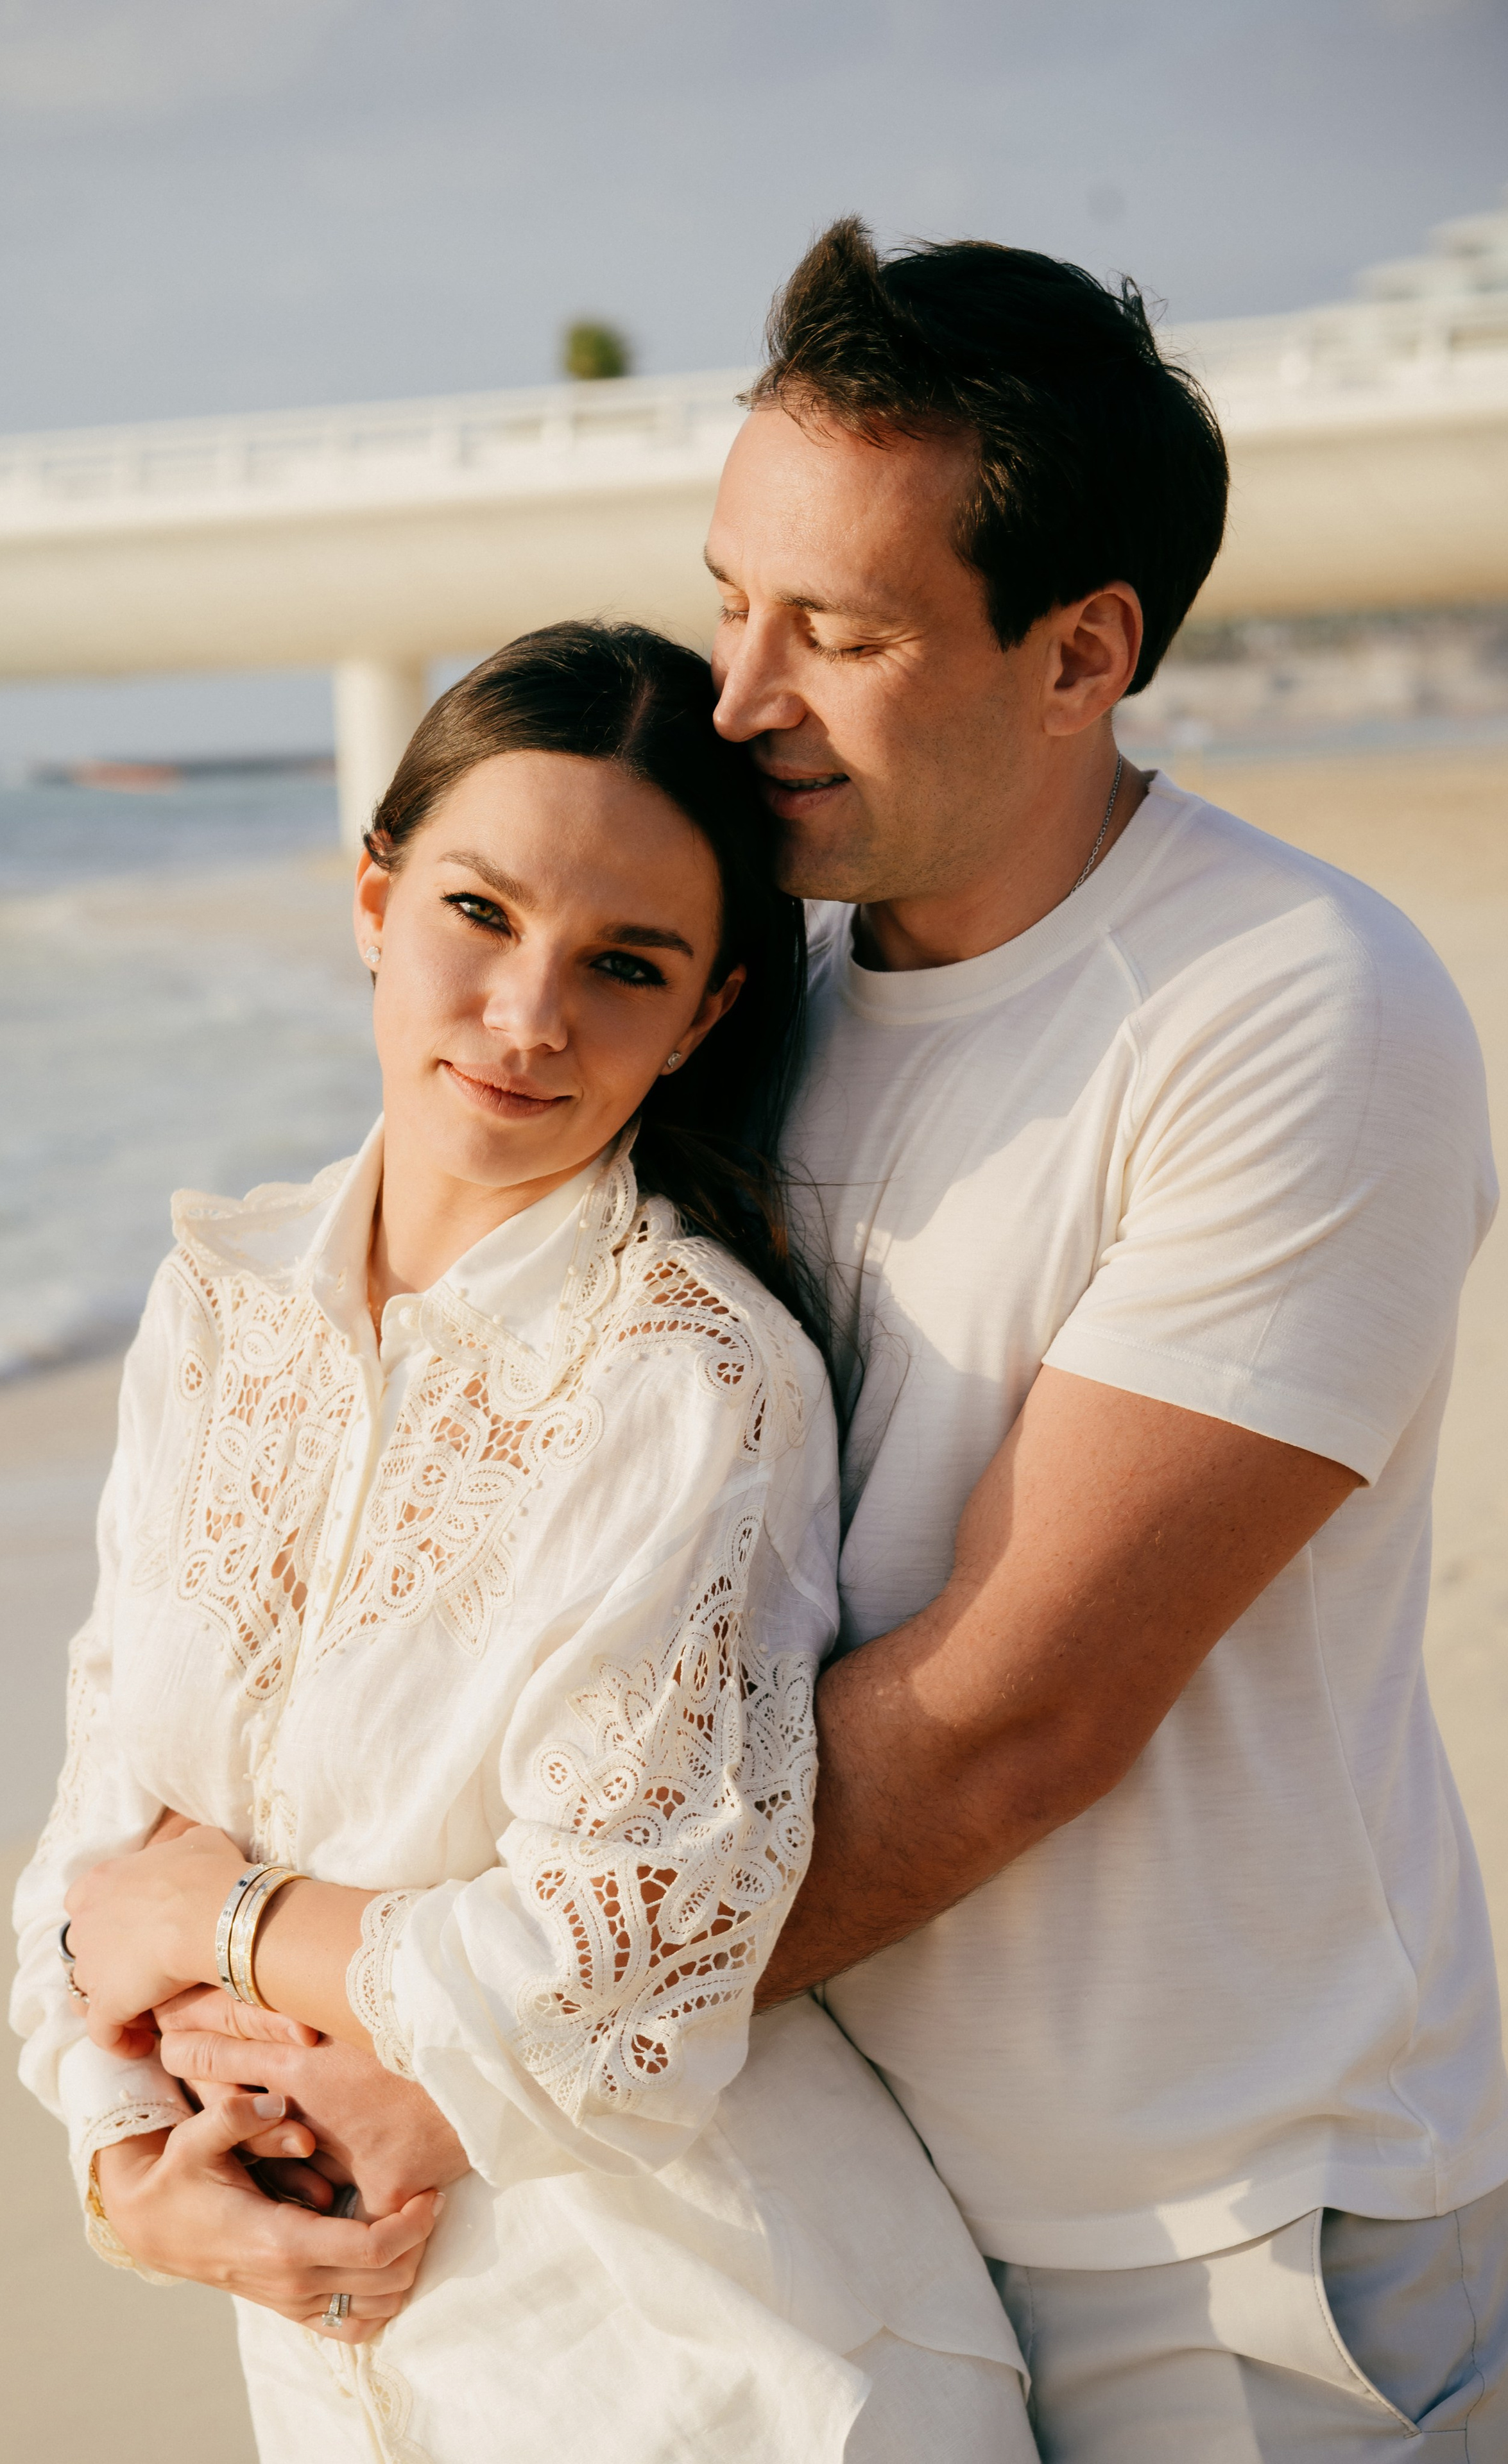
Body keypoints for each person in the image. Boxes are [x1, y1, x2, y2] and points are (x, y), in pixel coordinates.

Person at [158, 226, 1508, 2458]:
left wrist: (396, 2021)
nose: (740, 697)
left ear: (1084, 653)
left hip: (1211, 2227)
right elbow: (409, 1532)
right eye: (730, 600)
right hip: (778, 2205)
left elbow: (1011, 1717)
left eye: (846, 634)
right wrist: (163, 2084)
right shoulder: (725, 994)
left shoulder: (1289, 1008)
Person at [12, 622, 1034, 2464]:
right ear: (374, 897)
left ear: (707, 1009)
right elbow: (92, 1865)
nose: (529, 1013)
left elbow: (618, 1970)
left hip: (707, 2375)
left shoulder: (694, 1378)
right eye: (480, 913)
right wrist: (124, 2165)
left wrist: (222, 1921)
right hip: (352, 2377)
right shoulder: (216, 1303)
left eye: (623, 963)